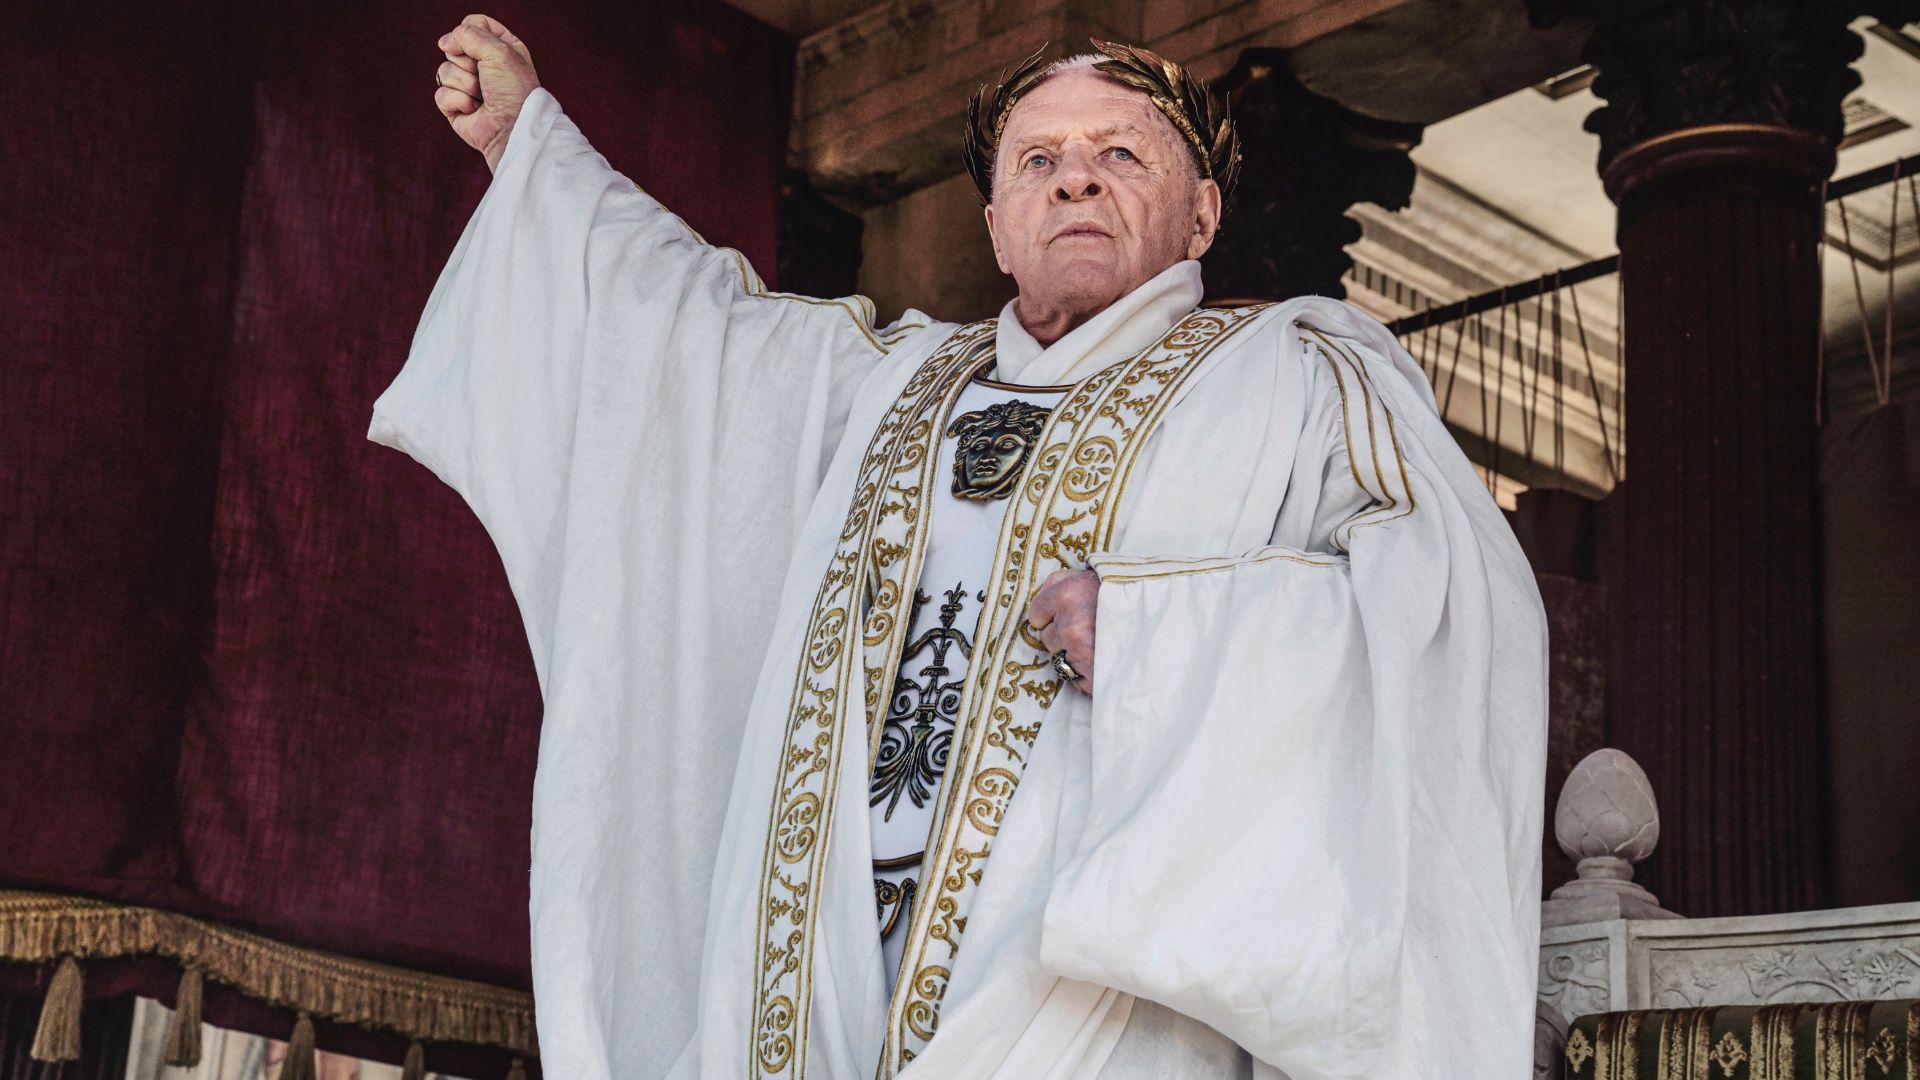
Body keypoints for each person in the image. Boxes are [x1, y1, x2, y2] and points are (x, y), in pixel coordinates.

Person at [373, 14, 1549, 1079]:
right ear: (994, 225)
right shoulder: (882, 385)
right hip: (818, 994)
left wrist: (1169, 639)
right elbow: (686, 333)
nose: (1073, 177)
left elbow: (1450, 616)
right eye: (1037, 161)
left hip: (1093, 1020)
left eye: (1121, 153)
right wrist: (536, 144)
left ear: (1202, 215)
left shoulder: (1296, 378)